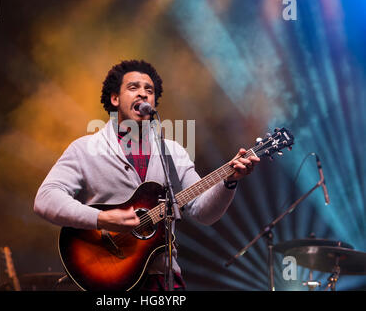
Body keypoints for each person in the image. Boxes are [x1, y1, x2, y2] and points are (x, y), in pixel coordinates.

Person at [34, 59, 260, 291]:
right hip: (107, 279)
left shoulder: (172, 151)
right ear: (115, 99)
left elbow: (203, 213)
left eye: (149, 90)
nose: (143, 94)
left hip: (163, 279)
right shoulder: (84, 148)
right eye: (133, 88)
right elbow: (46, 199)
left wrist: (228, 182)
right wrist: (101, 219)